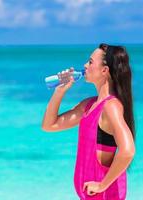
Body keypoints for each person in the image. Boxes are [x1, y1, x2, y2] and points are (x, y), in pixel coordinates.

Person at [42, 43, 136, 200]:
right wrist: (60, 92)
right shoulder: (89, 105)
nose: (85, 65)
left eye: (90, 62)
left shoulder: (111, 106)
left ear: (104, 70)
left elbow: (127, 151)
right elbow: (49, 125)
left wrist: (102, 185)